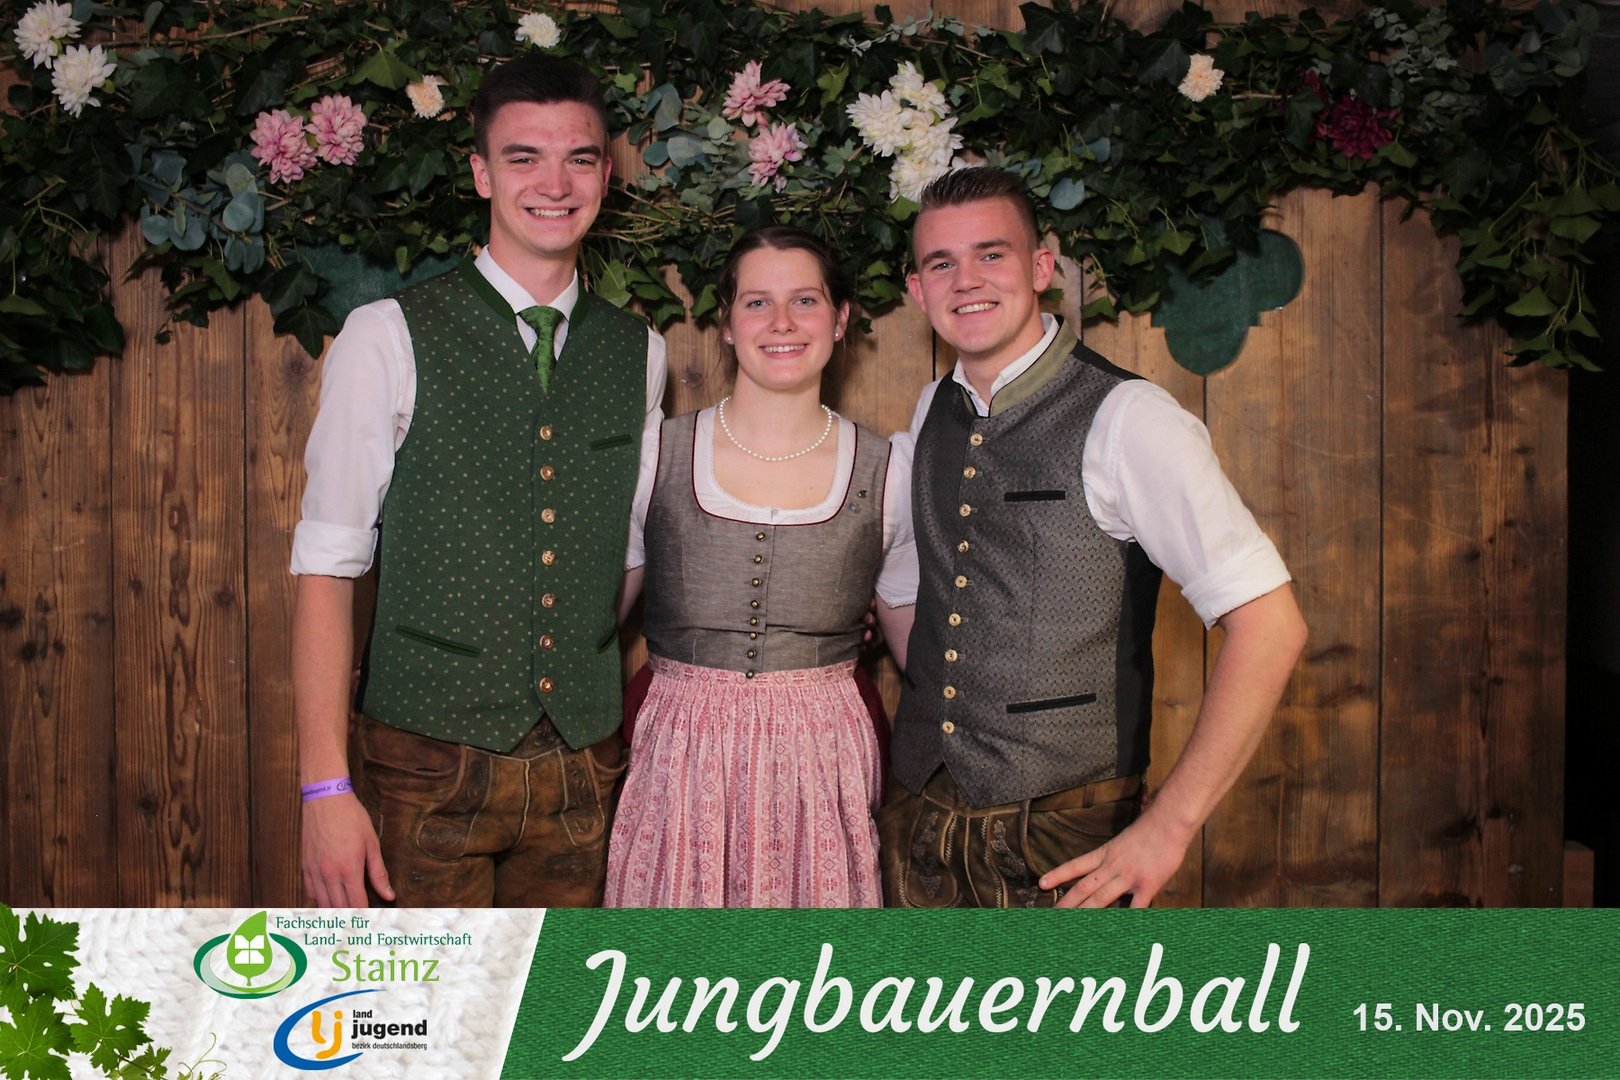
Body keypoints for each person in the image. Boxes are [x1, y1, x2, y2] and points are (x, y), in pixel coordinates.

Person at [290, 53, 667, 907]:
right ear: (481, 173)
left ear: (606, 176)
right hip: (424, 765)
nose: (554, 184)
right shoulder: (386, 335)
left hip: (582, 767)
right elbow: (326, 567)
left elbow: (624, 549)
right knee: (421, 996)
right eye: (523, 157)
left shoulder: (639, 352)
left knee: (557, 995)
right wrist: (324, 789)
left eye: (578, 158)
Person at [880, 166, 1308, 909]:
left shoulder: (1129, 418)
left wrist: (1169, 826)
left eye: (992, 254)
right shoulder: (931, 409)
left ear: (1041, 268)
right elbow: (928, 588)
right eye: (941, 263)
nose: (966, 280)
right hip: (918, 816)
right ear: (917, 290)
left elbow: (1271, 626)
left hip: (1062, 837)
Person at [605, 226, 917, 908]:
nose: (781, 323)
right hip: (680, 754)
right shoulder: (655, 454)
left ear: (840, 319)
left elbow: (916, 648)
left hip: (823, 760)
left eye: (805, 300)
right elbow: (597, 623)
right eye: (757, 303)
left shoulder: (889, 470)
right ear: (725, 323)